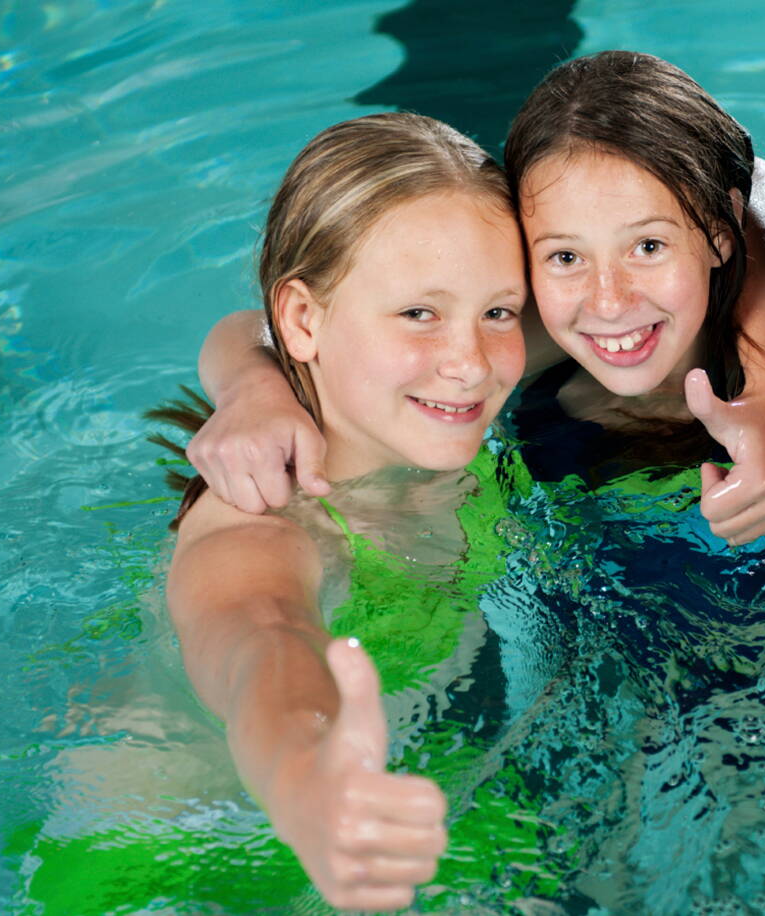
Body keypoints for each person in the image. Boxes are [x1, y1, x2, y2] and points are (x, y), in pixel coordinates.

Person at [190, 52, 765, 546]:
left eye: (647, 247)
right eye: (565, 257)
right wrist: (253, 390)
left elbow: (756, 179)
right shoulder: (515, 336)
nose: (608, 301)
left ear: (717, 233)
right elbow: (271, 329)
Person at [163, 112, 529, 910]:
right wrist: (306, 783)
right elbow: (263, 635)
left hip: (384, 806)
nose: (470, 363)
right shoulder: (266, 519)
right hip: (172, 861)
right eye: (418, 314)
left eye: (499, 311)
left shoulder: (431, 438)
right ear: (303, 321)